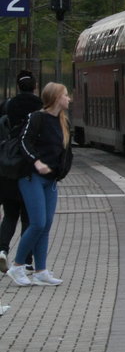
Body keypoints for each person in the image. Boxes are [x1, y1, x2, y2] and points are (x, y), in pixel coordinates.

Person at [6, 82, 73, 287]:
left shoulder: (63, 122)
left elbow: (64, 151)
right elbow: (23, 142)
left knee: (46, 225)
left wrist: (60, 171)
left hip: (50, 180)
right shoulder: (36, 118)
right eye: (65, 95)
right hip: (31, 177)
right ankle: (18, 266)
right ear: (55, 98)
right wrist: (36, 161)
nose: (69, 98)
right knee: (38, 223)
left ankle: (41, 270)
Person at [0, 69, 39, 274]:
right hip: (28, 171)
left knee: (9, 215)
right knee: (28, 217)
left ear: (17, 86)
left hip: (8, 168)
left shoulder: (8, 105)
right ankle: (25, 259)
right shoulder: (39, 107)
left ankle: (2, 250)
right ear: (34, 86)